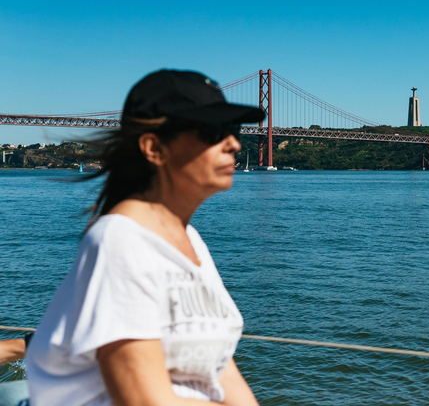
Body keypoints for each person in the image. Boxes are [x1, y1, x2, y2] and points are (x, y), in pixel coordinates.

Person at [26, 70, 263, 405]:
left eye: (234, 130)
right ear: (154, 148)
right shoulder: (120, 241)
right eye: (213, 131)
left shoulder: (190, 241)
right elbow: (144, 402)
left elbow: (218, 370)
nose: (234, 144)